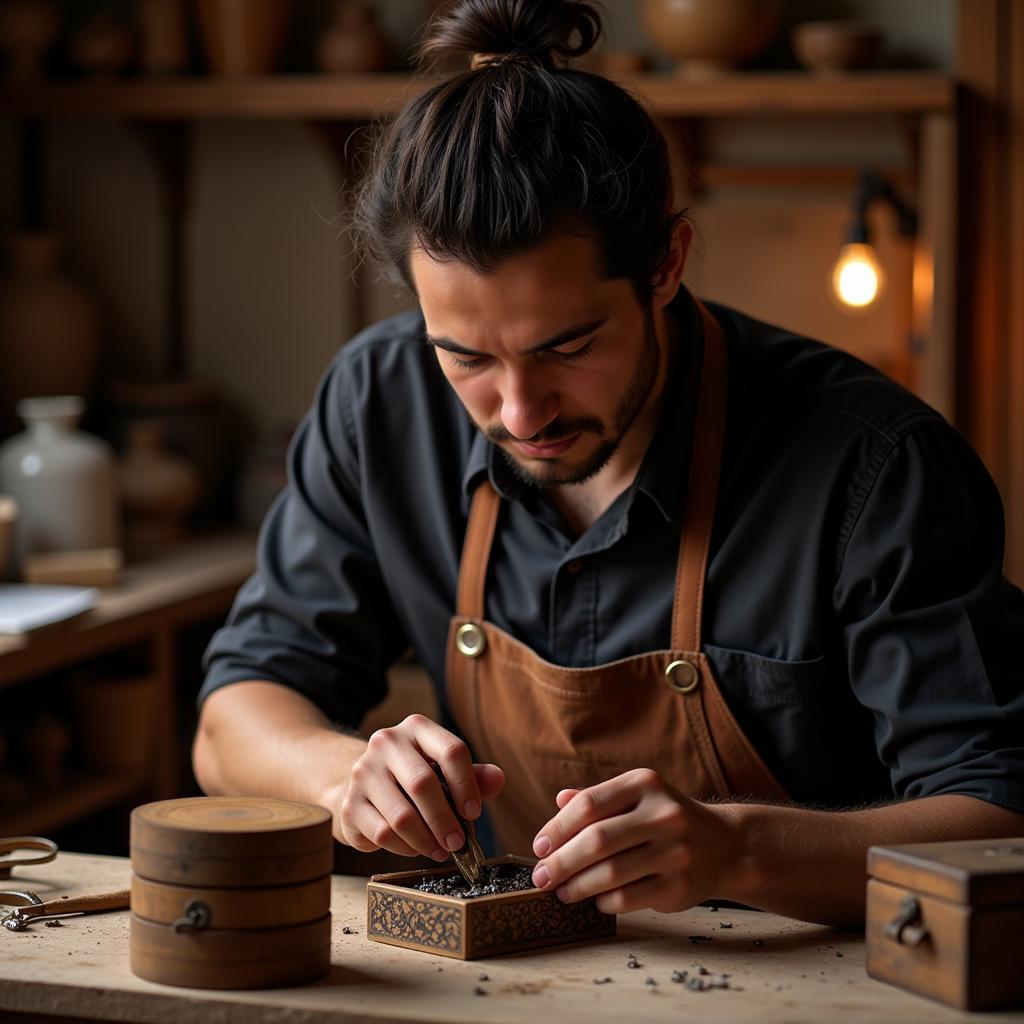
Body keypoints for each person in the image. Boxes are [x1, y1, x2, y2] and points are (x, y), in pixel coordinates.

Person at [193, 0, 1024, 927]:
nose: (518, 412)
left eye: (567, 345)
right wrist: (344, 774)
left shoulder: (875, 466)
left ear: (666, 264)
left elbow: (1001, 821)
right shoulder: (378, 403)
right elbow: (234, 719)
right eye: (465, 356)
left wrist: (739, 851)